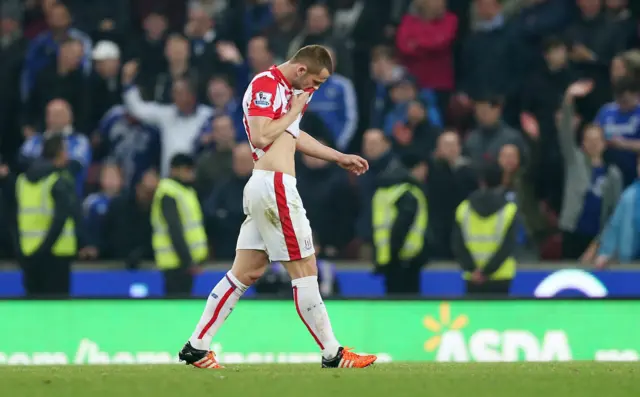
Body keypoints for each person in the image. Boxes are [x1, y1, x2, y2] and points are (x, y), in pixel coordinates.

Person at [180, 45, 376, 369]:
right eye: (316, 81)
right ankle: (333, 353)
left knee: (244, 272)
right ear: (301, 70)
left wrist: (338, 156)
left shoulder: (290, 91)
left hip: (267, 187)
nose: (316, 89)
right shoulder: (265, 86)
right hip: (274, 186)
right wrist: (294, 109)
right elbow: (259, 136)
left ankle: (196, 346)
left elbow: (292, 135)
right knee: (305, 270)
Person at [16, 134, 95, 296]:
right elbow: (63, 218)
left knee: (32, 310)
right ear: (60, 153)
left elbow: (12, 219)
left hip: (29, 254)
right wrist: (83, 242)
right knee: (56, 312)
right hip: (57, 255)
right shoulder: (60, 180)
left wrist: (20, 252)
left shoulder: (22, 180)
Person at [558, 81, 622, 260]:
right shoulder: (575, 161)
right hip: (572, 231)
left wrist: (598, 243)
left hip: (596, 237)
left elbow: (613, 212)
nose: (593, 143)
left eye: (597, 140)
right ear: (583, 143)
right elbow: (564, 134)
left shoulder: (613, 173)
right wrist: (568, 99)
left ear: (604, 143)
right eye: (589, 140)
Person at [121, 60, 213, 176]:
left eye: (179, 92)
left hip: (196, 180)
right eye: (173, 92)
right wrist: (127, 82)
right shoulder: (167, 114)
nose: (174, 96)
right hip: (169, 180)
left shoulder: (208, 116)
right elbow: (138, 109)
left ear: (191, 94)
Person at [451, 162, 518, 296]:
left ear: (481, 181)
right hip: (501, 276)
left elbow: (457, 244)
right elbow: (508, 246)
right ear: (503, 180)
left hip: (473, 277)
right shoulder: (510, 210)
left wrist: (472, 270)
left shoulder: (464, 209)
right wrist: (487, 271)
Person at [151, 154, 208, 296]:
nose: (191, 174)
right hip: (175, 263)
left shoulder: (186, 191)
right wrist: (188, 261)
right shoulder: (168, 193)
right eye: (187, 170)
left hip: (185, 263)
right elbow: (174, 229)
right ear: (175, 170)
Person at [372, 155, 429, 294]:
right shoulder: (408, 193)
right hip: (404, 261)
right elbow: (401, 227)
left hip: (386, 259)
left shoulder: (382, 191)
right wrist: (395, 255)